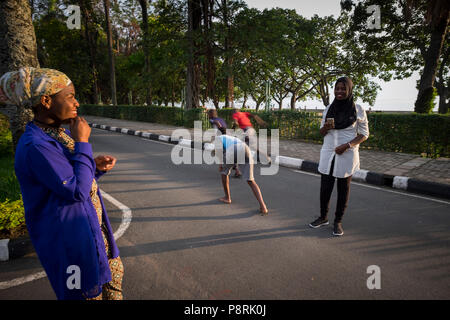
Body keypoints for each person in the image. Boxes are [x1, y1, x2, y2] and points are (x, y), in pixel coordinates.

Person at [0, 67, 123, 300]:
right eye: (70, 96)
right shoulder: (36, 146)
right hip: (74, 248)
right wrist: (83, 143)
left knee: (114, 287)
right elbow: (76, 190)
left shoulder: (57, 134)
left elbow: (74, 179)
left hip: (96, 237)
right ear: (46, 101)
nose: (76, 103)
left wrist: (93, 166)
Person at [308, 76, 369, 236]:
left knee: (343, 189)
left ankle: (338, 221)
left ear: (349, 90)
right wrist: (325, 128)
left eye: (343, 88)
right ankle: (323, 217)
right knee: (325, 188)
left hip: (346, 154)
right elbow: (321, 132)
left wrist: (347, 145)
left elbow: (364, 134)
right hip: (328, 153)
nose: (339, 91)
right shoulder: (329, 108)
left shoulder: (358, 109)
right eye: (337, 88)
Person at [214, 133, 268, 216]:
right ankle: (263, 206)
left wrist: (221, 165)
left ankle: (227, 198)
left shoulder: (218, 139)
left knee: (224, 173)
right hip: (245, 148)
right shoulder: (232, 139)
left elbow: (222, 154)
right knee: (251, 180)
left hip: (234, 149)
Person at [208, 109, 242, 177]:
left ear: (211, 114)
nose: (208, 115)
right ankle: (236, 170)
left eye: (208, 114)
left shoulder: (212, 120)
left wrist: (220, 130)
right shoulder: (221, 119)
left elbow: (218, 124)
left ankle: (229, 170)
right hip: (227, 136)